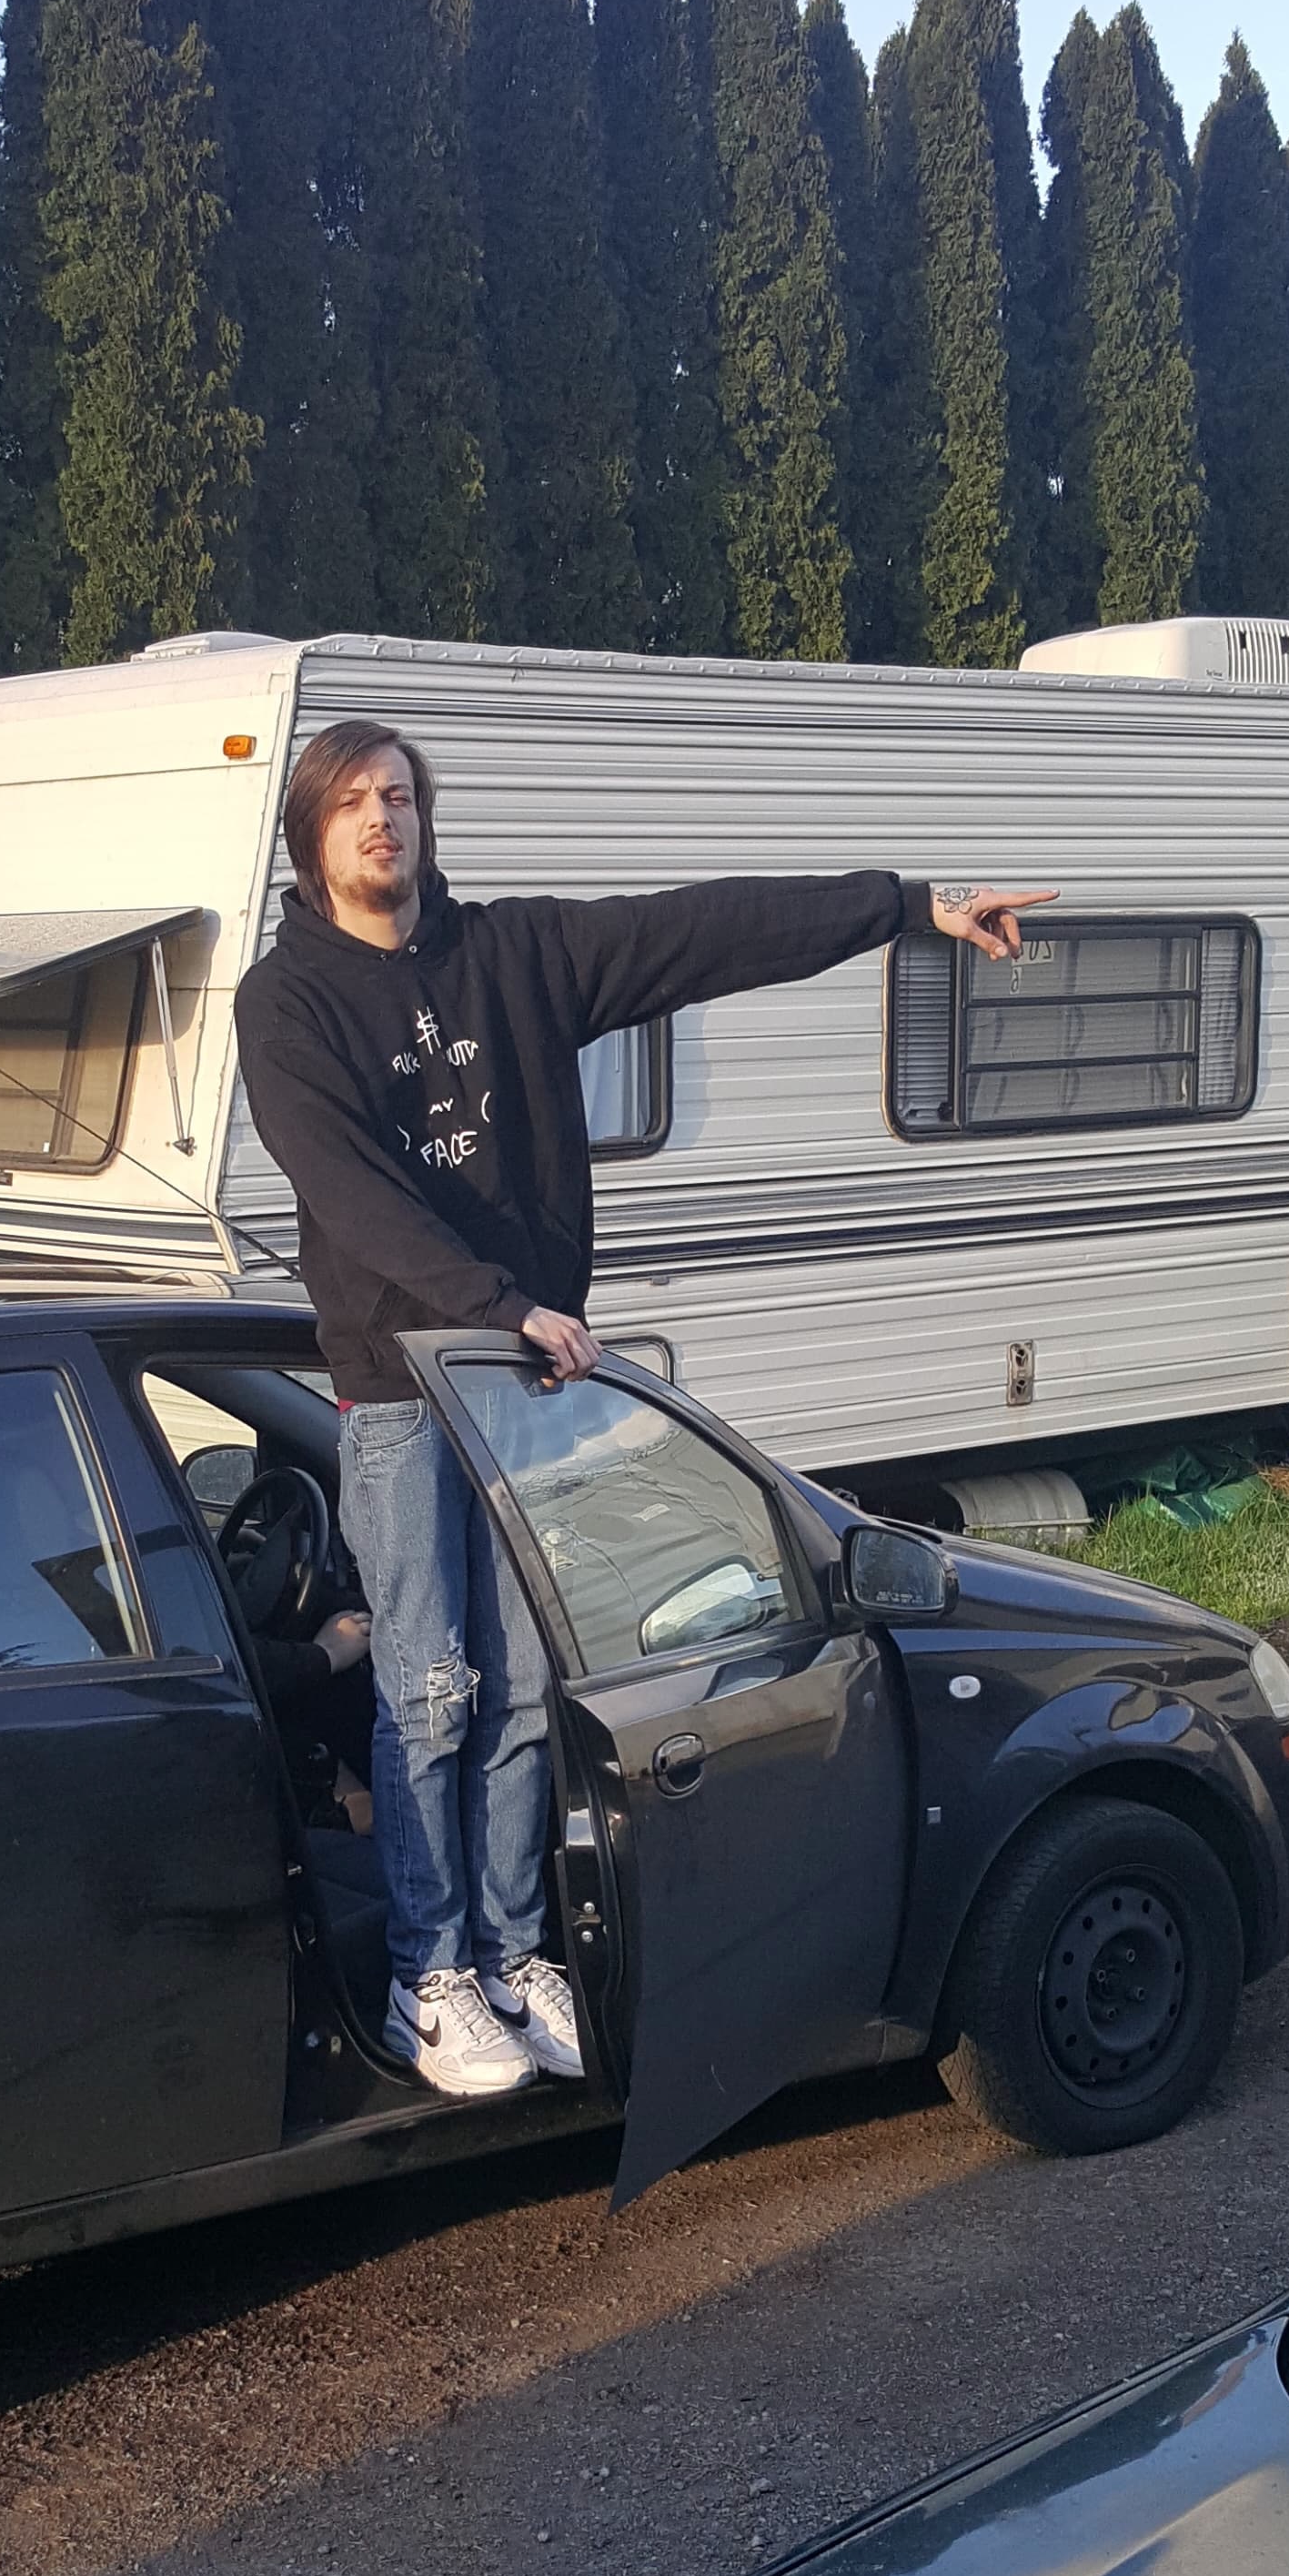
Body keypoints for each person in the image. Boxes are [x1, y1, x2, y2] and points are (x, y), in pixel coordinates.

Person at [233, 721, 1052, 2100]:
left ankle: (509, 1953)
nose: (384, 820)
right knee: (428, 1691)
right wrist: (499, 1300)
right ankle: (428, 1974)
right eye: (355, 803)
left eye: (401, 797)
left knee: (526, 1689)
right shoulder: (288, 1002)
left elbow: (702, 931)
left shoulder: (513, 957)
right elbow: (351, 1194)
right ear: (311, 837)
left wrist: (907, 908)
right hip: (404, 1390)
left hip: (520, 1385)